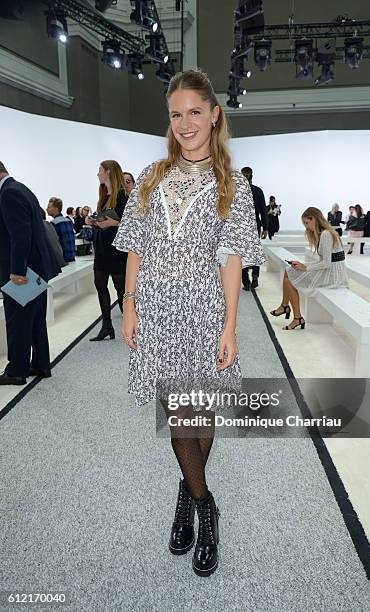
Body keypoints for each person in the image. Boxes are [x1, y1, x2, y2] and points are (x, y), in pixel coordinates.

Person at [113, 69, 264, 577]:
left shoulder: (233, 185)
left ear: (214, 114)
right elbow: (134, 247)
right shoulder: (152, 177)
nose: (185, 123)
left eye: (194, 112)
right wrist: (129, 305)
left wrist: (229, 325)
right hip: (157, 312)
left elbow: (231, 259)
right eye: (176, 114)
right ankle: (206, 508)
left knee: (202, 416)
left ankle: (187, 494)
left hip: (204, 314)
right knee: (183, 417)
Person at [0, 161, 60, 385]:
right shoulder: (20, 188)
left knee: (17, 322)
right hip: (35, 269)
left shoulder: (8, 193)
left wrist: (16, 271)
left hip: (23, 272)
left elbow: (20, 235)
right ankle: (41, 364)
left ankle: (16, 371)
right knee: (35, 320)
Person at [270, 207, 348, 330]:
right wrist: (303, 265)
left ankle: (295, 316)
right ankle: (286, 308)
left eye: (307, 223)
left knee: (288, 279)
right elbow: (325, 261)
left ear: (314, 219)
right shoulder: (324, 233)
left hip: (332, 276)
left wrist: (305, 268)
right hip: (329, 272)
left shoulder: (326, 234)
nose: (306, 227)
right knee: (288, 270)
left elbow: (327, 263)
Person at [86, 160, 128, 341]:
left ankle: (131, 326)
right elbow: (103, 223)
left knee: (121, 290)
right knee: (100, 285)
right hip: (102, 250)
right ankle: (106, 325)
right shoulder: (103, 196)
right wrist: (93, 222)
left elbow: (131, 225)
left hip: (117, 250)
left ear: (108, 172)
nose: (98, 174)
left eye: (100, 171)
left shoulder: (122, 197)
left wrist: (114, 223)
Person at [240, 166, 267, 290]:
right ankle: (255, 275)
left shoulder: (236, 191)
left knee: (241, 253)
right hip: (254, 225)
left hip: (241, 226)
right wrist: (265, 228)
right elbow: (263, 211)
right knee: (255, 251)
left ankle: (245, 281)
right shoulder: (258, 191)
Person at [47, 197, 76, 263]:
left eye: (49, 207)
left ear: (56, 208)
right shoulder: (68, 221)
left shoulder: (53, 223)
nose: (47, 209)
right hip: (72, 257)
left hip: (62, 260)